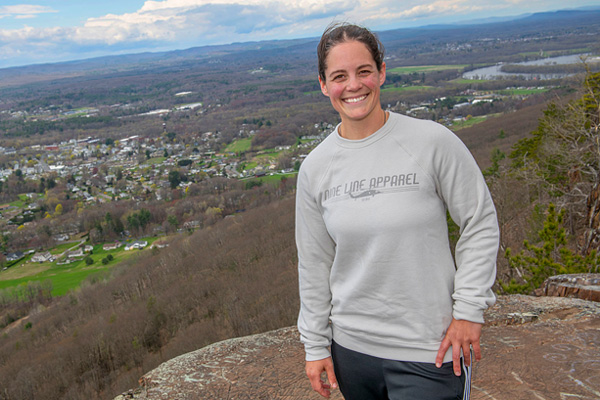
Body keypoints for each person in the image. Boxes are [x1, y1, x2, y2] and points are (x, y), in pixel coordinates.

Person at [296, 22, 499, 400]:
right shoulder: (315, 167)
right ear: (324, 84)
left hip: (428, 351)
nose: (353, 85)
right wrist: (316, 346)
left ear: (382, 72)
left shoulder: (431, 143)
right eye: (339, 76)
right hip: (352, 352)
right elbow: (314, 263)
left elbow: (479, 221)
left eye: (364, 72)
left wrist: (470, 310)